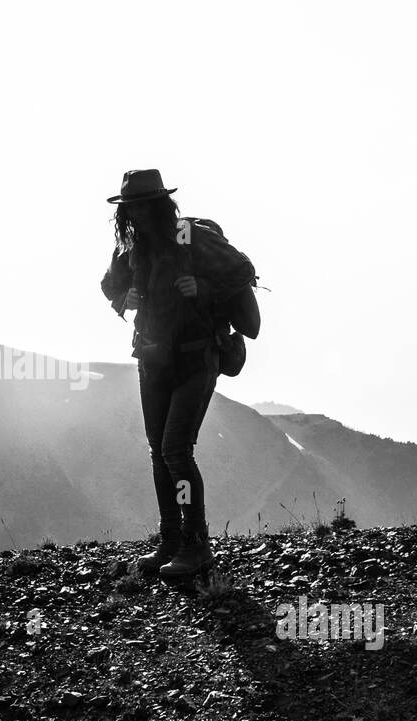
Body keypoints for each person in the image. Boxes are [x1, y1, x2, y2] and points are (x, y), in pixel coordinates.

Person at [99, 169, 253, 577]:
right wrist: (123, 297)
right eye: (131, 207)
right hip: (152, 359)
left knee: (174, 452)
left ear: (160, 204)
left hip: (195, 357)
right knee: (160, 452)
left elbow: (242, 270)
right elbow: (107, 285)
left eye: (144, 205)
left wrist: (202, 287)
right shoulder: (130, 247)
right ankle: (170, 540)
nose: (137, 214)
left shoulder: (190, 237)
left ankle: (195, 545)